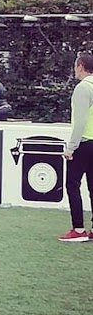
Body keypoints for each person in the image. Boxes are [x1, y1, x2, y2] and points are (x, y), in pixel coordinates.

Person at [59, 52, 93, 242]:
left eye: (75, 67)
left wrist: (71, 147)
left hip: (84, 143)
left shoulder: (83, 88)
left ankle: (78, 229)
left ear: (80, 66)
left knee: (73, 185)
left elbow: (80, 121)